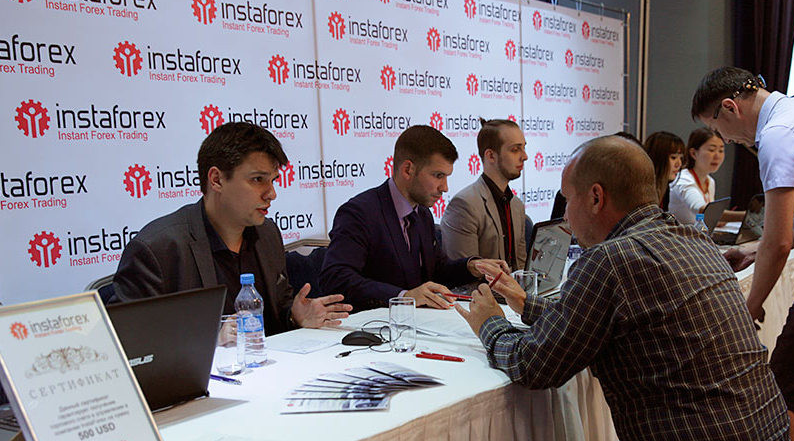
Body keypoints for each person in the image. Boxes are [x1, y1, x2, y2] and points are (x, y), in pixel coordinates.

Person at [456, 136, 792, 441]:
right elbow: (603, 319)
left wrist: (489, 323)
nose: (566, 217)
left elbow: (534, 365)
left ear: (596, 197)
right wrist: (528, 304)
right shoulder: (694, 239)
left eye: (568, 200)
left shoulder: (609, 260)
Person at [692, 66, 794, 441]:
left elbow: (779, 243)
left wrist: (750, 306)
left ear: (729, 108)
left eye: (718, 129)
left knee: (781, 396)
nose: (726, 140)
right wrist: (754, 250)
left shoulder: (778, 134)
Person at [112, 122, 351, 335]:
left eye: (273, 180)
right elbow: (129, 341)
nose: (271, 193)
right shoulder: (158, 249)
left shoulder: (267, 234)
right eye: (258, 179)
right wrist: (209, 342)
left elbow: (277, 314)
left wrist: (294, 316)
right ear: (216, 179)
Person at [320, 125, 508, 311]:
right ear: (408, 170)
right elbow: (336, 278)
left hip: (419, 322)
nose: (445, 187)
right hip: (373, 323)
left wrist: (472, 266)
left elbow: (436, 271)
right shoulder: (359, 213)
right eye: (438, 176)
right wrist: (403, 297)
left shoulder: (422, 213)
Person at [440, 118, 528, 271]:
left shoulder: (516, 205)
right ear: (491, 156)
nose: (525, 156)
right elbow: (463, 277)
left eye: (524, 148)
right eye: (515, 150)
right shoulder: (464, 205)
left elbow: (521, 268)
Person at [668, 128, 741, 226]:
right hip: (679, 234)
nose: (717, 156)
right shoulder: (683, 179)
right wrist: (744, 216)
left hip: (697, 233)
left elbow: (703, 216)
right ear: (694, 153)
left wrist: (716, 221)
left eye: (721, 150)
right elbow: (703, 210)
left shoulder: (710, 181)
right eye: (712, 150)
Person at [642, 131, 685, 210]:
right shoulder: (643, 191)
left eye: (681, 158)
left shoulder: (665, 188)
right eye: (673, 157)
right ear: (658, 157)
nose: (679, 164)